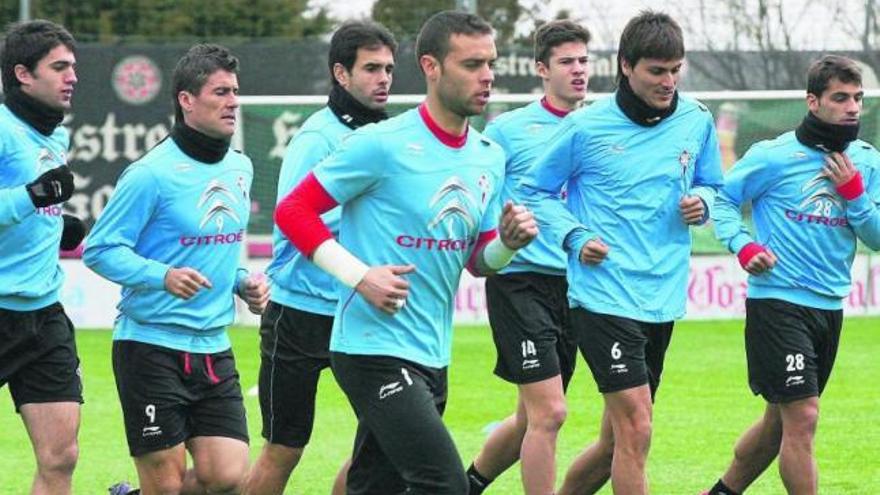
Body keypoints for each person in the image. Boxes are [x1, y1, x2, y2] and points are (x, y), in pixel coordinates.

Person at [274, 10, 537, 495]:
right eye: (472, 64)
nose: (487, 77)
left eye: (491, 64)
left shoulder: (487, 156)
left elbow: (478, 261)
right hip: (371, 349)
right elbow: (293, 211)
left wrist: (507, 244)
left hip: (432, 354)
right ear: (431, 67)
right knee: (445, 483)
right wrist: (359, 276)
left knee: (375, 487)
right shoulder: (380, 144)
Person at [520, 10, 723, 494]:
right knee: (638, 428)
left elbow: (714, 183)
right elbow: (535, 192)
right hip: (603, 295)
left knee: (616, 442)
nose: (669, 81)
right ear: (626, 66)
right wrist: (574, 236)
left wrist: (706, 202)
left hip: (662, 295)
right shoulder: (586, 127)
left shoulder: (697, 121)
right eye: (657, 70)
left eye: (676, 69)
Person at [83, 44, 269, 495]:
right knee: (164, 485)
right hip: (150, 345)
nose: (233, 102)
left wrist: (242, 281)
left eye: (235, 91)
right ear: (187, 100)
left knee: (225, 474)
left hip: (213, 346)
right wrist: (161, 275)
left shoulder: (240, 168)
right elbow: (100, 249)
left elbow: (220, 249)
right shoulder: (150, 173)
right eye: (220, 92)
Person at [703, 55, 880, 495]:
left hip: (829, 306)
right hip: (777, 302)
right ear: (813, 101)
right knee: (803, 416)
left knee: (778, 424)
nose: (853, 107)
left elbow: (876, 236)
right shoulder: (773, 156)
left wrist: (855, 194)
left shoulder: (866, 161)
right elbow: (722, 201)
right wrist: (744, 245)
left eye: (857, 98)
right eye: (840, 98)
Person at [245, 20, 397, 495]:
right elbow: (292, 218)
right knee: (285, 448)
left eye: (389, 68)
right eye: (371, 68)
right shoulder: (316, 138)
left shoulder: (388, 136)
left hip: (360, 314)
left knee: (384, 442)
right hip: (301, 314)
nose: (384, 78)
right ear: (341, 73)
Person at [464, 19, 590, 495]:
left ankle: (467, 484)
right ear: (542, 69)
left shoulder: (596, 127)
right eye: (566, 62)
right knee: (550, 413)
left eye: (583, 61)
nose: (578, 70)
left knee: (527, 419)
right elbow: (481, 194)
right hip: (519, 283)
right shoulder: (509, 131)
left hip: (575, 286)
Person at [0, 19, 83, 495]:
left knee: (61, 456)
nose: (72, 76)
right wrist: (30, 199)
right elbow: (24, 197)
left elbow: (35, 204)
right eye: (59, 67)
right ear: (23, 74)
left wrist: (54, 227)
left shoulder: (57, 136)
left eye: (73, 66)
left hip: (43, 315)